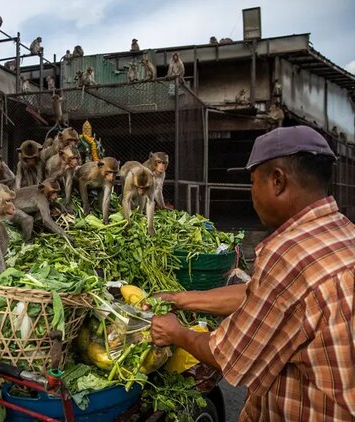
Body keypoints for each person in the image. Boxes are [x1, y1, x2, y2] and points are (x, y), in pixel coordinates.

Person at [151, 125, 355, 421]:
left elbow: (226, 354)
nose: (252, 193)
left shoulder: (289, 254)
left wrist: (176, 332)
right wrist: (181, 299)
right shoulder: (342, 233)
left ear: (277, 181)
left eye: (252, 182)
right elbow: (262, 295)